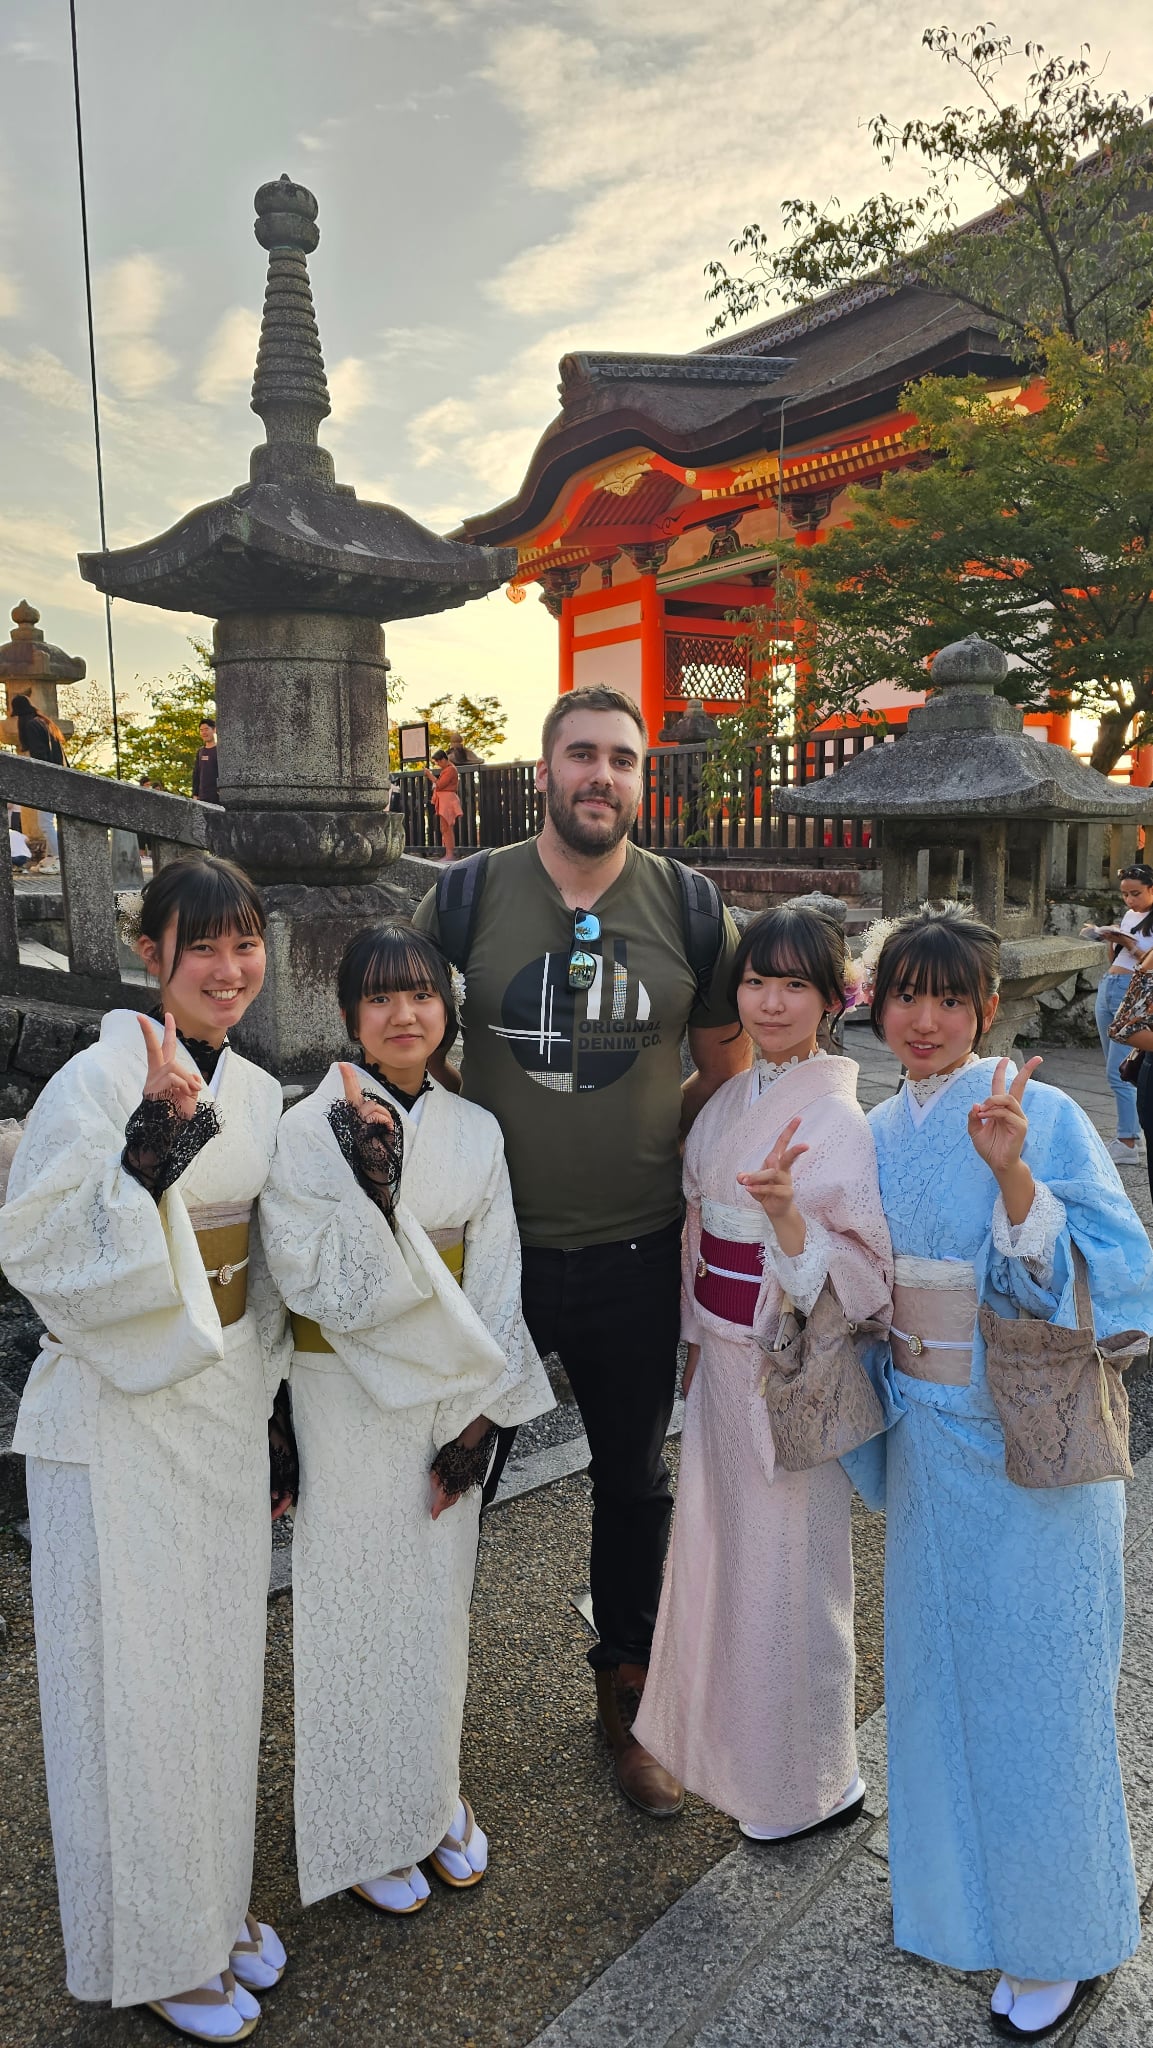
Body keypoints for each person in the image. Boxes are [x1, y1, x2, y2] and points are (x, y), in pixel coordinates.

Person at [413, 682, 750, 1818]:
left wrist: (652, 1137)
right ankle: (421, 1708)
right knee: (454, 1471)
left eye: (620, 758)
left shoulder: (689, 907)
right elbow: (404, 1033)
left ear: (638, 777)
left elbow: (725, 1064)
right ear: (545, 768)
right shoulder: (467, 894)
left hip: (637, 1250)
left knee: (632, 1481)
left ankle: (630, 1695)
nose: (600, 775)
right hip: (494, 1251)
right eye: (581, 755)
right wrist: (458, 1130)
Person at [0, 854, 291, 2043]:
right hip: (117, 1412)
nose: (228, 967)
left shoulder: (260, 1090)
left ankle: (208, 1902)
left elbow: (264, 1270)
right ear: (151, 952)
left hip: (220, 1402)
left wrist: (277, 1408)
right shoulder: (94, 1079)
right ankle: (155, 1945)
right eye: (202, 943)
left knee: (217, 1669)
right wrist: (150, 1151)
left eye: (245, 940)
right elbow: (38, 1247)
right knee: (137, 1682)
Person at [851, 904, 1152, 2041]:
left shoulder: (1046, 1110)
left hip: (1027, 1440)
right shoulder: (878, 1129)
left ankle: (1062, 1937)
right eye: (904, 996)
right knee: (937, 1685)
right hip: (927, 1442)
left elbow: (1115, 1270)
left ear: (987, 1009)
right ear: (876, 1007)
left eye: (948, 999)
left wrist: (1015, 1176)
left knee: (1042, 1689)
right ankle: (958, 1909)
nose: (924, 1020)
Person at [259, 922, 553, 1917]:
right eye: (379, 997)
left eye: (421, 994)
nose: (402, 1014)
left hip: (445, 1402)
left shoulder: (475, 1131)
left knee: (433, 1609)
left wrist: (479, 1426)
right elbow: (302, 1272)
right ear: (350, 1015)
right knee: (350, 1608)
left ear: (447, 1009)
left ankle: (430, 1794)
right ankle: (358, 1824)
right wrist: (378, 1200)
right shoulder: (308, 1127)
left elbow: (500, 1278)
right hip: (341, 1393)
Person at [634, 907, 892, 1839]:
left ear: (832, 1000)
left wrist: (785, 1219)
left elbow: (863, 1275)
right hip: (719, 1362)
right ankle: (740, 1762)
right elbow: (699, 1228)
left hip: (783, 1371)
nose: (770, 1003)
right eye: (755, 982)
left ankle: (812, 1783)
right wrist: (694, 1339)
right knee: (723, 1561)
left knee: (792, 1574)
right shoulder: (732, 1100)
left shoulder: (836, 1119)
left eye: (793, 985)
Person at [1082, 864, 1153, 1166]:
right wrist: (1109, 938)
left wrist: (1129, 944)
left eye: (1135, 893)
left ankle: (1128, 1141)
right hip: (1110, 984)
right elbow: (1118, 957)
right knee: (1118, 1067)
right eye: (1125, 894)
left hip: (1133, 991)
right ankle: (1130, 1135)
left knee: (1119, 1070)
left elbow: (1146, 962)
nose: (1129, 900)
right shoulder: (1130, 916)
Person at [10, 690, 66, 865]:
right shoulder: (43, 722)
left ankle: (57, 859)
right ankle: (51, 857)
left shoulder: (31, 725)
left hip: (47, 779)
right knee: (48, 821)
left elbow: (39, 756)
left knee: (45, 822)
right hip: (58, 776)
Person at [426, 748, 463, 860]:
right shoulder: (447, 769)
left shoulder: (450, 769)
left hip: (447, 800)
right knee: (444, 827)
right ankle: (448, 852)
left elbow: (440, 784)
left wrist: (430, 775)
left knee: (447, 827)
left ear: (443, 759)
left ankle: (450, 854)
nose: (437, 764)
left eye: (438, 761)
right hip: (445, 800)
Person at [192, 718, 220, 804]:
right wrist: (195, 794)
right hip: (202, 797)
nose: (204, 732)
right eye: (201, 730)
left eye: (206, 729)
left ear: (214, 730)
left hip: (217, 797)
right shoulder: (200, 752)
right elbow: (196, 774)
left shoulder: (220, 750)